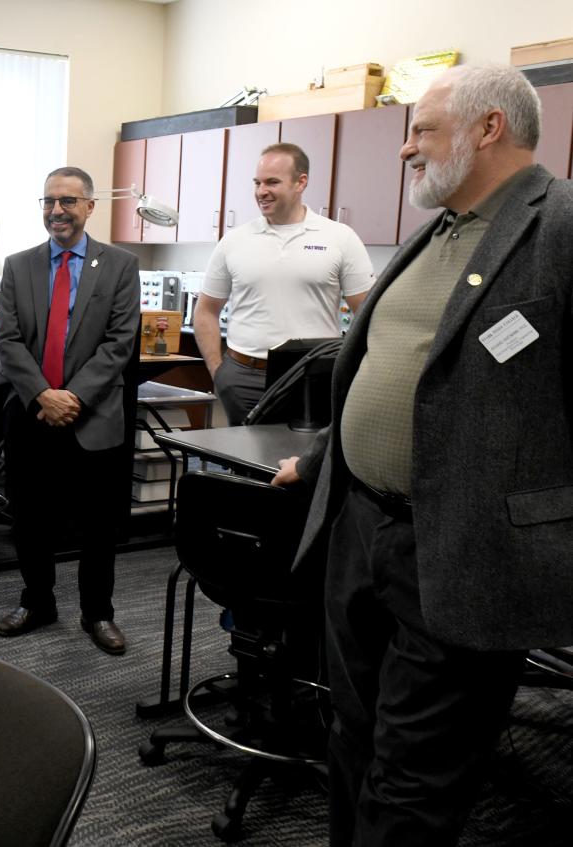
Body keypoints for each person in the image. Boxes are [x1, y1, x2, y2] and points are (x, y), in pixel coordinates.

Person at [272, 64, 573, 845]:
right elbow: (384, 364)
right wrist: (321, 455)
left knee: (415, 775)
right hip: (363, 529)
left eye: (422, 131)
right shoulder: (434, 230)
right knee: (351, 735)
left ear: (488, 129)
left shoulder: (561, 225)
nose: (405, 149)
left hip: (467, 549)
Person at [0, 166, 140, 655]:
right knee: (29, 517)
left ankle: (98, 613)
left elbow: (120, 343)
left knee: (99, 523)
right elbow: (7, 339)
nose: (57, 210)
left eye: (68, 201)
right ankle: (37, 601)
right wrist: (42, 395)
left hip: (92, 415)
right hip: (32, 412)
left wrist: (73, 396)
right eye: (49, 201)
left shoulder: (119, 265)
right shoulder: (18, 265)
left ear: (89, 207)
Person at [194, 143, 374, 425]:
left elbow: (367, 313)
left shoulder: (340, 238)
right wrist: (219, 372)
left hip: (310, 377)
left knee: (301, 464)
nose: (261, 191)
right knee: (244, 463)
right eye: (257, 182)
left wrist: (350, 370)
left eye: (272, 182)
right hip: (243, 377)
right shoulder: (234, 240)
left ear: (301, 182)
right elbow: (206, 310)